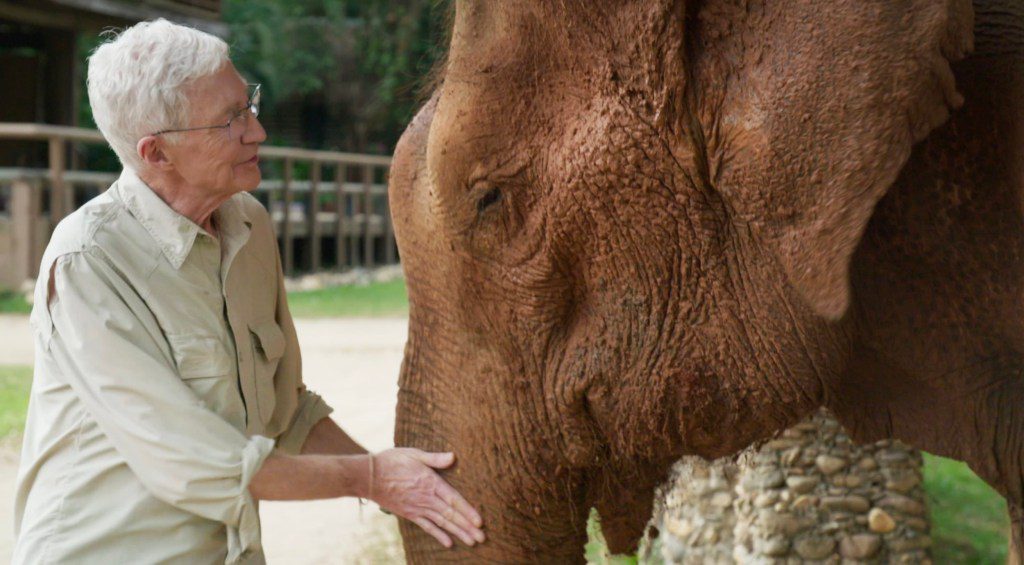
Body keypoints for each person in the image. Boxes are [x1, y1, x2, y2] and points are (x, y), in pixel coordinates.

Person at [12, 19, 484, 564]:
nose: (256, 132)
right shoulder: (88, 262)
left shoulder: (248, 224)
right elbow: (200, 467)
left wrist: (401, 484)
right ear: (156, 154)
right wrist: (374, 478)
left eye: (248, 105)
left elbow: (285, 411)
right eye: (228, 121)